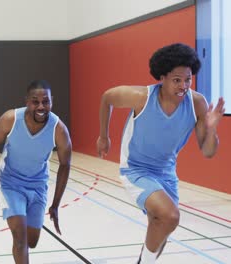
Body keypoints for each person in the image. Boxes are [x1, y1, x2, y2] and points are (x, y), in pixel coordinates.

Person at [96, 43, 225, 264]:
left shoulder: (197, 103)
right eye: (177, 80)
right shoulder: (141, 97)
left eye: (188, 79)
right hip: (136, 169)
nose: (183, 85)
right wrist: (104, 136)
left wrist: (212, 129)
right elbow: (107, 97)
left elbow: (208, 151)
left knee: (161, 228)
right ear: (162, 78)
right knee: (170, 216)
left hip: (166, 173)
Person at [0, 80, 72, 264]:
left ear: (52, 102)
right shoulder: (10, 119)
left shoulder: (59, 129)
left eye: (46, 101)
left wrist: (55, 205)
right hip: (11, 184)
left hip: (38, 185)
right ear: (27, 101)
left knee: (31, 241)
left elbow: (65, 165)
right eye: (35, 101)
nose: (41, 106)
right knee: (20, 239)